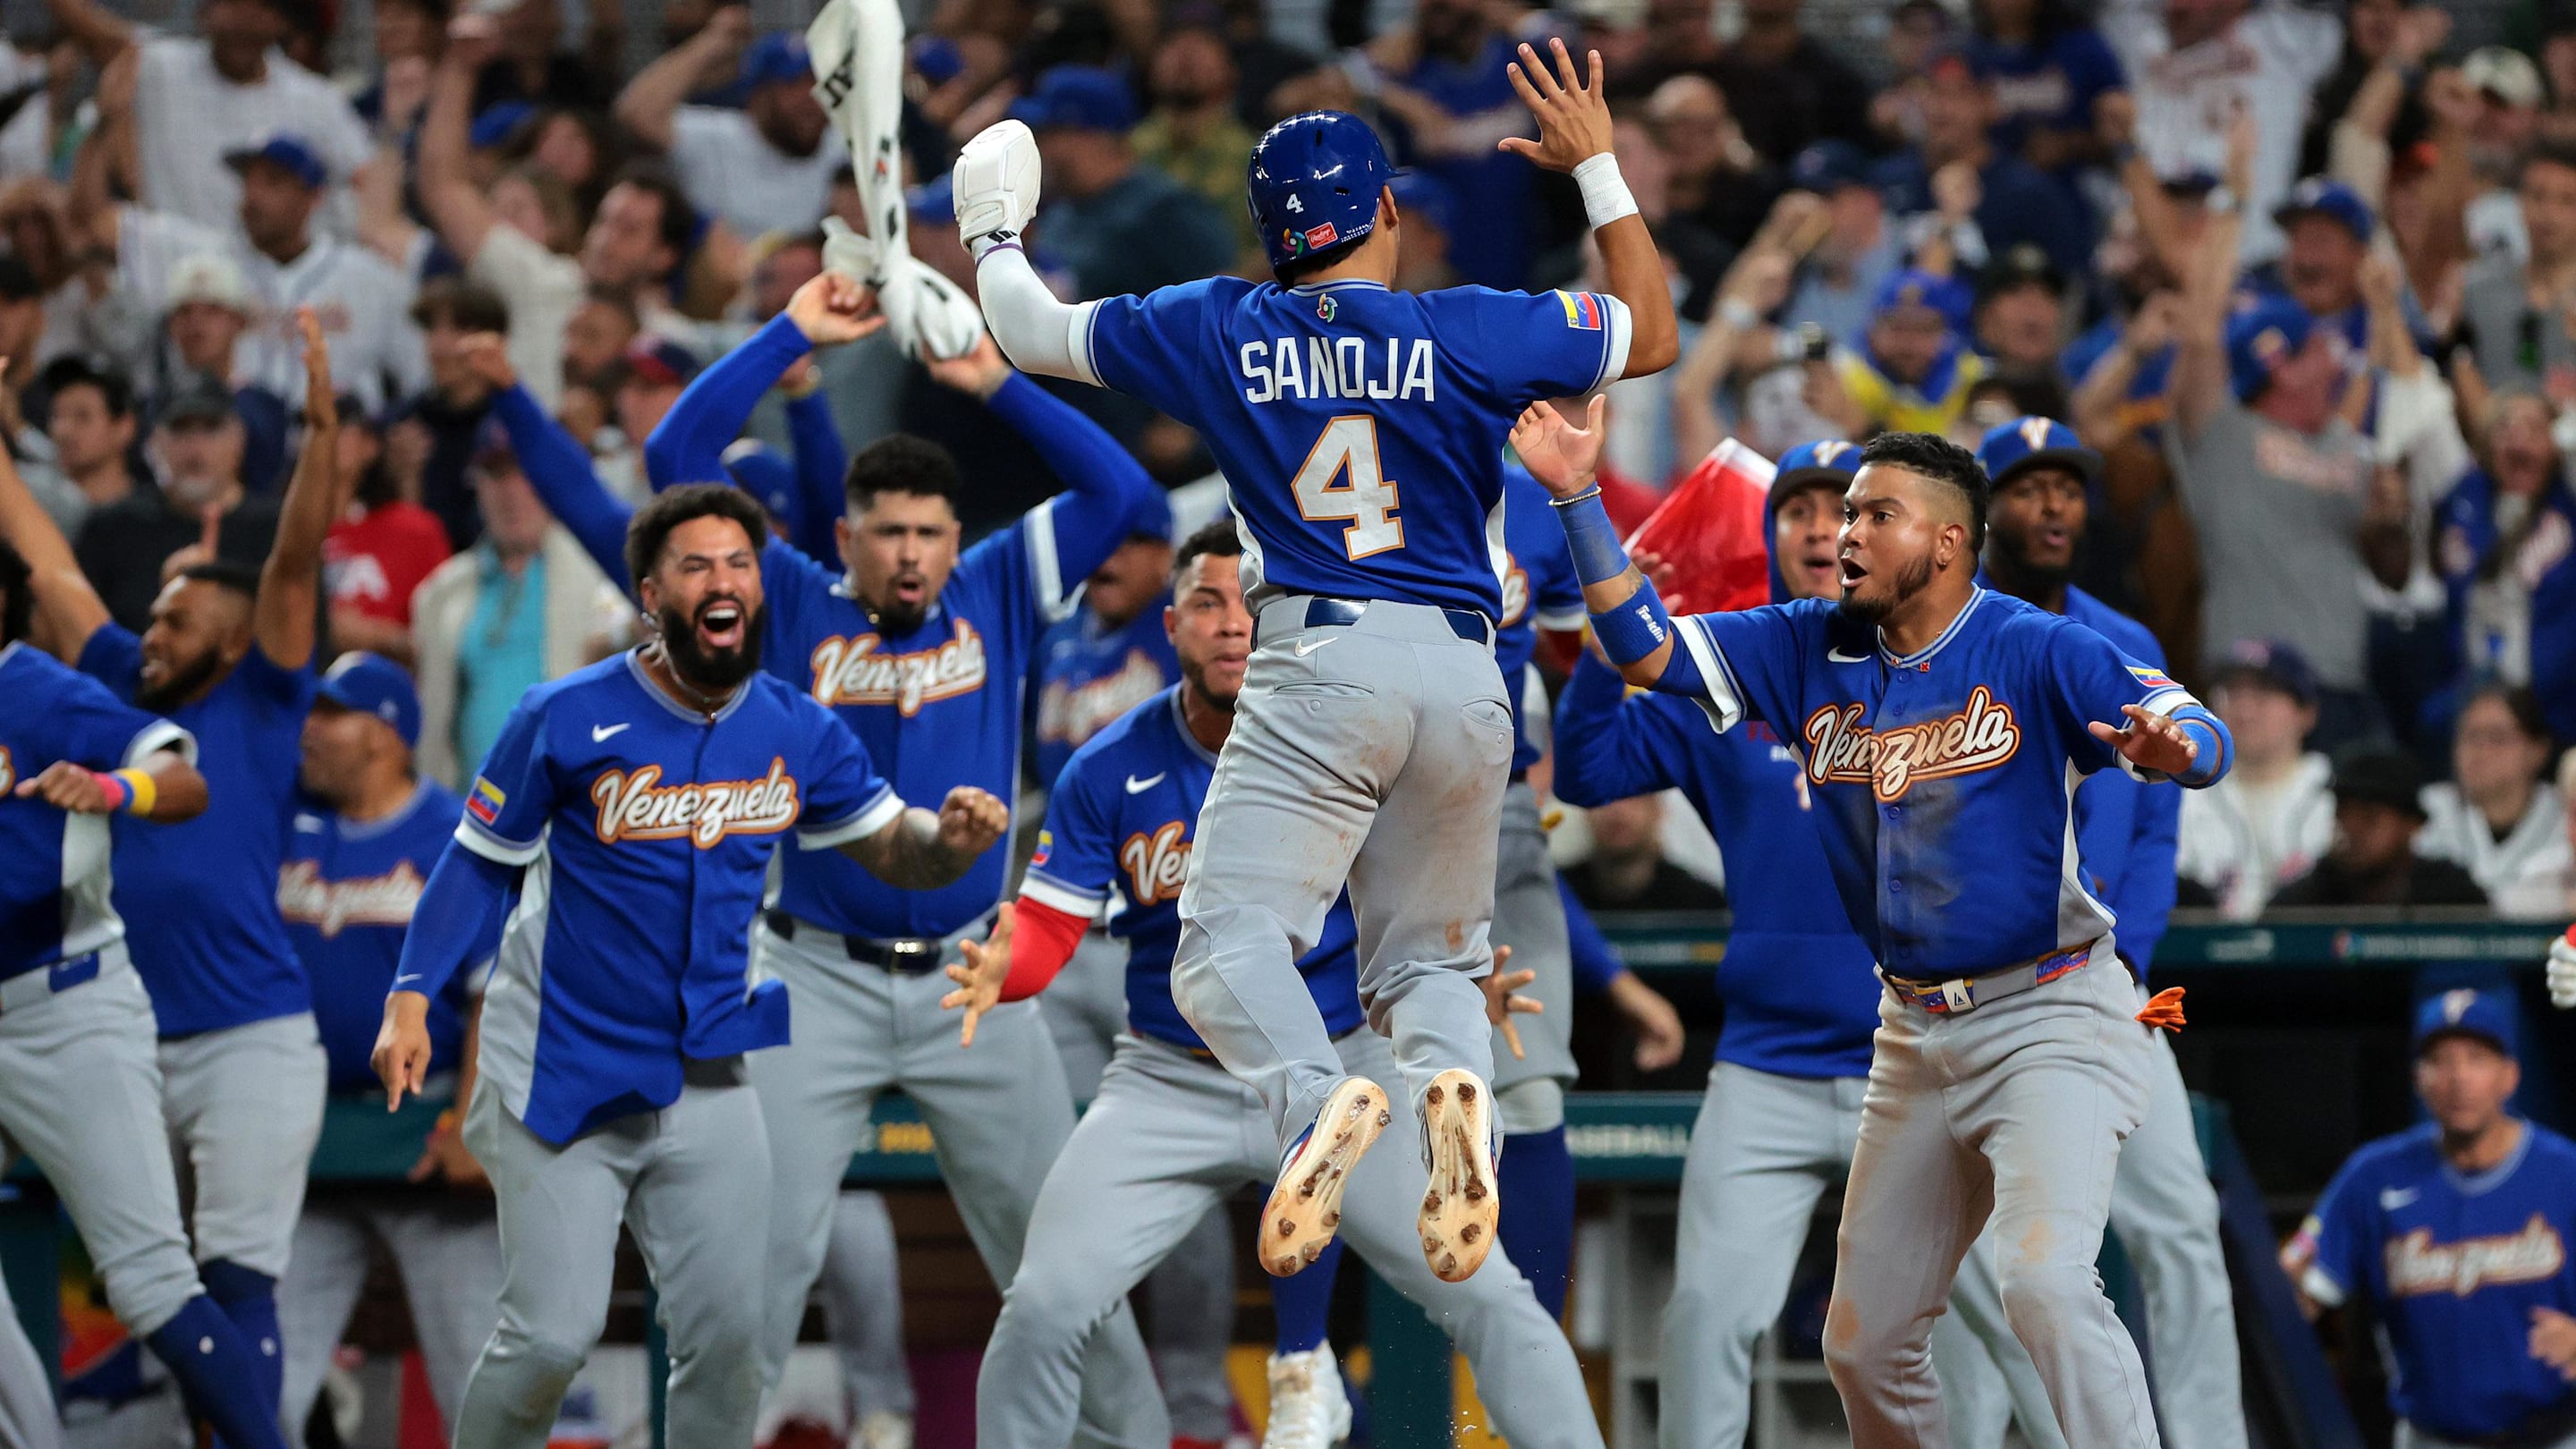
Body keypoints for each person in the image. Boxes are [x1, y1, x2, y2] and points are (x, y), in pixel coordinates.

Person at [963, 47, 1679, 1282]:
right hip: (1467, 672)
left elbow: (1024, 334)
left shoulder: (1214, 321)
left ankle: (1311, 1102)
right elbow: (1652, 332)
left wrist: (990, 232)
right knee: (1434, 963)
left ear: (1268, 231)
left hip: (1323, 660)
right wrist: (1600, 171)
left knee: (1226, 942)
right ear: (1388, 211)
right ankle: (1457, 1086)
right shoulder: (1472, 327)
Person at [488, 272, 1175, 1440]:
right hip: (815, 976)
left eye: (927, 534)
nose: (909, 556)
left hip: (975, 977)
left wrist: (995, 381)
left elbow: (1127, 489)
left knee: (1070, 1264)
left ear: (957, 538)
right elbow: (677, 451)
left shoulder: (1004, 581)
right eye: (886, 533)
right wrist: (794, 333)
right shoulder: (792, 600)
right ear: (842, 536)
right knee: (750, 1282)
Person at [1516, 417, 2232, 1449]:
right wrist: (1582, 502)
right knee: (1864, 1343)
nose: (1846, 532)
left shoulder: (2031, 642)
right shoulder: (1804, 640)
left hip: (2049, 1011)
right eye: (1843, 513)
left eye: (1874, 514)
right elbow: (1643, 645)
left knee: (2040, 1281)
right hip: (1912, 1031)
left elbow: (2190, 722)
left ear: (1945, 543)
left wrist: (2181, 745)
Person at [372, 482, 1009, 1447]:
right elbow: (477, 865)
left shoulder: (796, 727)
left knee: (732, 1342)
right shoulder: (565, 715)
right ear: (649, 596)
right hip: (562, 1069)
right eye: (696, 565)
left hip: (710, 1070)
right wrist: (413, 994)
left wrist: (952, 844)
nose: (724, 581)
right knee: (550, 1339)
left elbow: (895, 848)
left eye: (740, 563)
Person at [947, 521, 1606, 1449]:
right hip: (1171, 1080)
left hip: (1348, 1071)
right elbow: (1051, 927)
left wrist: (1454, 982)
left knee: (1493, 1296)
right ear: (1168, 626)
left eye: (1246, 604)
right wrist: (1002, 971)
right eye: (1206, 605)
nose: (1230, 627)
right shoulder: (1109, 764)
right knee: (1045, 1303)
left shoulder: (1363, 737)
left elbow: (1419, 918)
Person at [0, 309, 340, 1436]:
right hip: (139, 1020)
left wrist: (323, 428)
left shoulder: (260, 691)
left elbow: (292, 561)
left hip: (242, 1025)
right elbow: (49, 569)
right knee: (162, 1284)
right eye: (150, 609)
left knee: (224, 1283)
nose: (151, 626)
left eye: (179, 614)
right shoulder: (114, 686)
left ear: (234, 636)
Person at [1974, 417, 2249, 1449]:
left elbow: (2161, 817)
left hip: (2114, 988)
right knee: (1988, 1259)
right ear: (1983, 508)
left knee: (2179, 1222)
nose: (2053, 507)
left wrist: (2129, 960)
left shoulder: (2127, 641)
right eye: (2029, 487)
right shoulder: (1952, 637)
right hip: (1987, 991)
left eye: (2069, 488)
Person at [274, 652, 503, 1443]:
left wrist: (474, 1125)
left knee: (478, 1386)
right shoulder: (289, 821)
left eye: (331, 714)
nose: (310, 728)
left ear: (385, 735)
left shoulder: (454, 835)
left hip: (424, 1130)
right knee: (262, 1385)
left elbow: (493, 994)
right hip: (309, 1138)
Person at [2167, 114, 2411, 746]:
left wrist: (2388, 524)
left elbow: (2394, 567)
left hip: (2340, 685)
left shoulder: (2337, 439)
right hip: (2249, 685)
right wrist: (2235, 198)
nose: (2333, 354)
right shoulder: (2221, 435)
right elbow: (2198, 327)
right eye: (2314, 348)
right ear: (2280, 371)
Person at [2284, 990, 2576, 1449]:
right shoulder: (2374, 1176)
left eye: (2477, 1058)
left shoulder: (2565, 1172)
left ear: (2510, 1076)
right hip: (2430, 1438)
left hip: (2555, 1434)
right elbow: (2301, 1291)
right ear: (2418, 1078)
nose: (2458, 1078)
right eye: (2439, 1060)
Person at [44, 0, 369, 236]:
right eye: (230, 5)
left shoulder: (316, 99)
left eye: (259, 8)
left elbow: (365, 181)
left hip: (281, 283)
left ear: (281, 21)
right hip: (181, 276)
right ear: (204, 13)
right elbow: (90, 31)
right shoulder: (161, 67)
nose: (243, 17)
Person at [220, 136, 428, 412]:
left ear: (313, 196)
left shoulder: (370, 276)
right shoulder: (219, 271)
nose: (254, 196)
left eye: (273, 182)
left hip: (343, 444)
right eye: (248, 182)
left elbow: (420, 376)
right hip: (239, 443)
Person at [1008, 66, 1235, 304]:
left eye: (1048, 133)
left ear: (1092, 136)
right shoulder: (1058, 211)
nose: (1038, 147)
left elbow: (1220, 300)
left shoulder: (1166, 210)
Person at [73, 377, 279, 631]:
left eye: (211, 428)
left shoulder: (276, 529)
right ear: (155, 442)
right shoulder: (112, 527)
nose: (196, 448)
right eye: (180, 429)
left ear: (239, 439)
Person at [2433, 393, 2576, 744]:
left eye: (2534, 427)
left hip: (2554, 706)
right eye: (2505, 426)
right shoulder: (2462, 498)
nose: (2518, 437)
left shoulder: (2569, 500)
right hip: (2469, 693)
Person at [615, 24, 844, 239]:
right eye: (794, 85)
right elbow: (636, 113)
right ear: (758, 94)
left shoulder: (840, 144)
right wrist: (711, 41)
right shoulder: (717, 137)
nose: (811, 100)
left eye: (818, 85)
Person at [2174, 640, 2338, 918]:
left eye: (2263, 694)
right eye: (2232, 694)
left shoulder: (2338, 795)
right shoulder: (2183, 795)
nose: (2244, 711)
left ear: (2307, 713)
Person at [2418, 683, 2572, 917]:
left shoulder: (2567, 813)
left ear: (2538, 750)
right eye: (2470, 736)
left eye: (2497, 737)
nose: (2480, 750)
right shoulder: (2428, 810)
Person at [2271, 750, 2491, 908]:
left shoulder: (2451, 896)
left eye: (2369, 816)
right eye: (2342, 813)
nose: (2351, 828)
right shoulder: (2305, 900)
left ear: (2412, 825)